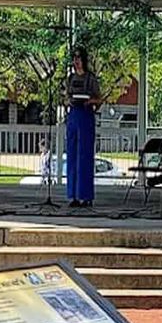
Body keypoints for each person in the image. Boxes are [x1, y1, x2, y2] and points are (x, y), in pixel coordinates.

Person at [65, 46, 101, 208]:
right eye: (74, 58)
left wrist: (90, 101)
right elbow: (66, 96)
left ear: (84, 60)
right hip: (73, 115)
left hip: (86, 115)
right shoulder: (71, 78)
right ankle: (73, 195)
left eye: (79, 58)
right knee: (72, 155)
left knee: (84, 156)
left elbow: (99, 99)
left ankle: (85, 196)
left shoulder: (91, 78)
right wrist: (68, 101)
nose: (76, 61)